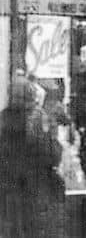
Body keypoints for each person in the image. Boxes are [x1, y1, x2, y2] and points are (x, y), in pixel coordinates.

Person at [0, 71, 65, 237]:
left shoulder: (2, 119)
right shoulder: (38, 118)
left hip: (9, 191)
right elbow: (53, 155)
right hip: (35, 189)